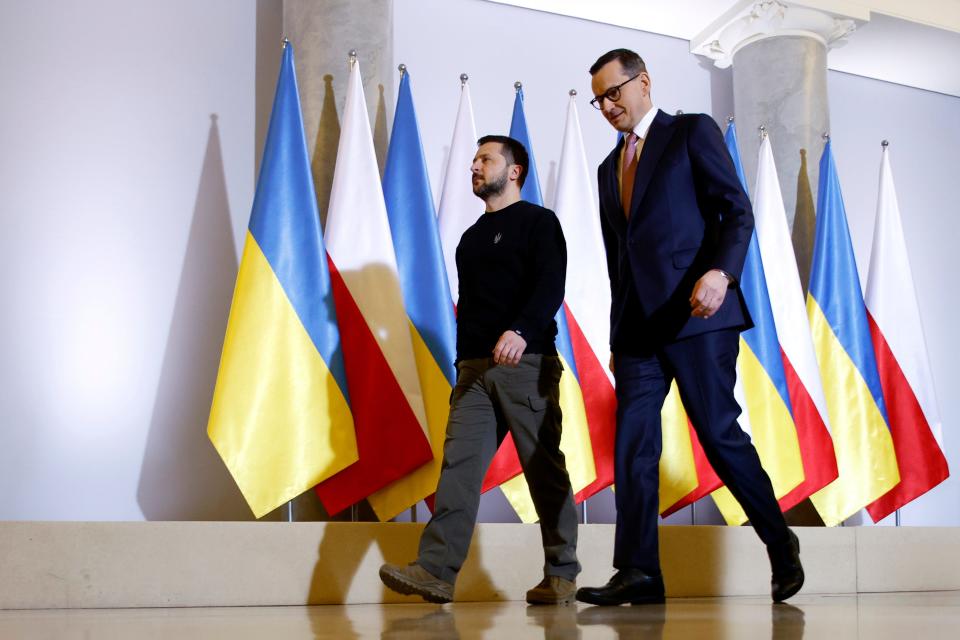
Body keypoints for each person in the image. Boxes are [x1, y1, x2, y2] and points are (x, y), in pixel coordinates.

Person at [575, 49, 803, 606]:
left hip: (698, 317)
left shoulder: (690, 133)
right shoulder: (609, 169)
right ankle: (638, 572)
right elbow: (618, 262)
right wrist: (615, 336)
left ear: (643, 83)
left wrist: (722, 273)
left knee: (719, 436)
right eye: (598, 98)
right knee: (632, 446)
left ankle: (780, 542)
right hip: (637, 334)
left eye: (614, 92)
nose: (607, 106)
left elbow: (736, 209)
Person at [379, 135, 580, 605]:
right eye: (473, 158)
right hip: (472, 371)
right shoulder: (470, 238)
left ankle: (562, 573)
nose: (474, 165)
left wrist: (522, 331)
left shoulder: (539, 222)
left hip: (526, 364)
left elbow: (551, 285)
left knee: (542, 469)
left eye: (485, 158)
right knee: (458, 469)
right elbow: (470, 308)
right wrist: (464, 361)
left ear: (513, 171)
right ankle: (435, 570)